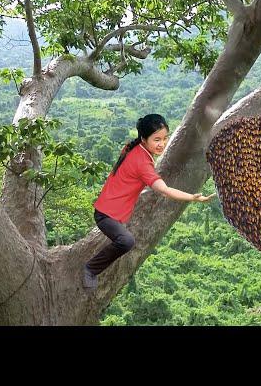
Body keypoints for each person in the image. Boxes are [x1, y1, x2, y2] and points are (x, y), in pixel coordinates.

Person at [83, 114, 215, 290]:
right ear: (144, 139)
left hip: (112, 210)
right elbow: (165, 191)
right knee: (126, 241)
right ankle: (91, 268)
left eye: (165, 138)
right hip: (105, 215)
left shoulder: (135, 148)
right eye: (156, 139)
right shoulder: (142, 163)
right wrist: (192, 197)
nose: (162, 144)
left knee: (124, 238)